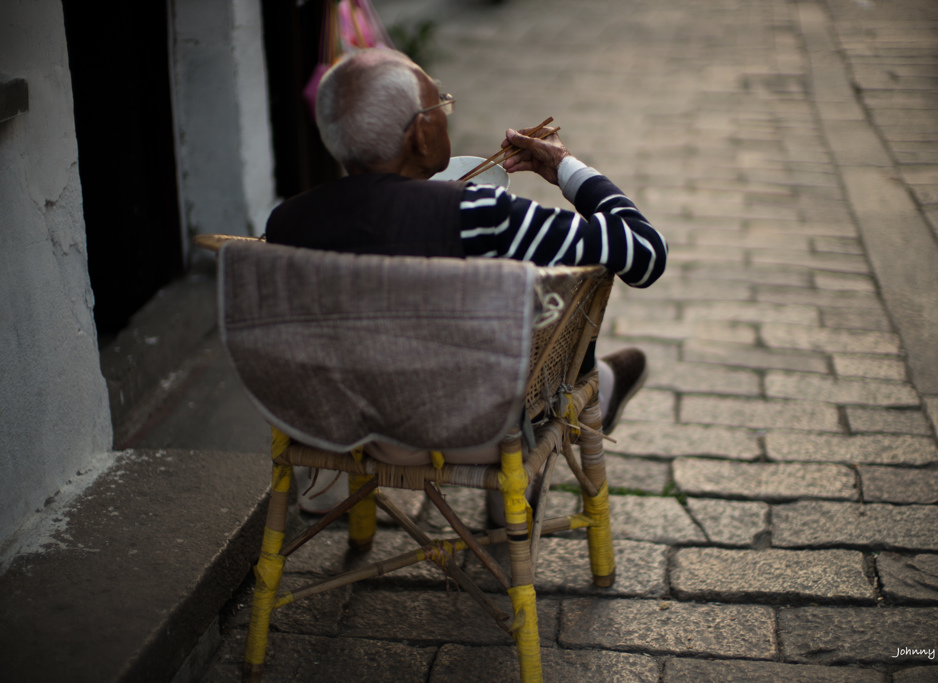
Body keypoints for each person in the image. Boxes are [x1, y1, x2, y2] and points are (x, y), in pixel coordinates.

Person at [265, 48, 667, 512]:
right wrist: (564, 168)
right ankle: (584, 405)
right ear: (420, 134)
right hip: (474, 432)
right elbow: (646, 253)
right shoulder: (478, 215)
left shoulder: (287, 224)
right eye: (441, 105)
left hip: (341, 429)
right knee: (552, 298)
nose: (446, 115)